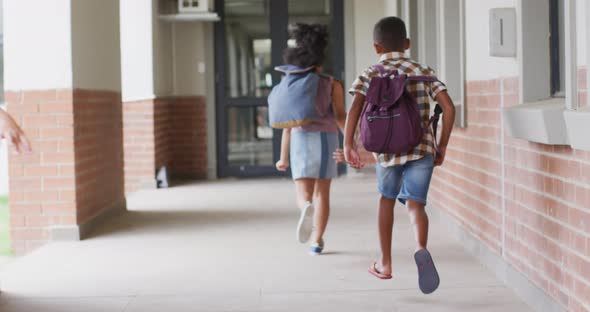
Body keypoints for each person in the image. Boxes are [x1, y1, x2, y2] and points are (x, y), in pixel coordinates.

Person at [344, 16, 455, 294]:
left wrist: (349, 143)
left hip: (387, 151)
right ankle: (420, 247)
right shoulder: (423, 70)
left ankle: (385, 262)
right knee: (416, 205)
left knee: (387, 200)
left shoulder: (371, 73)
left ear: (376, 47)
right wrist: (441, 145)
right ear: (407, 43)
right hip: (422, 148)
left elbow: (355, 109)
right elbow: (449, 108)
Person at [275, 23, 346, 255]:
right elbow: (340, 117)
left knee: (304, 192)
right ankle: (317, 240)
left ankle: (305, 207)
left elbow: (287, 125)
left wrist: (282, 157)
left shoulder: (290, 83)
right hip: (327, 140)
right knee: (323, 193)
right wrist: (353, 145)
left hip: (301, 139)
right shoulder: (331, 83)